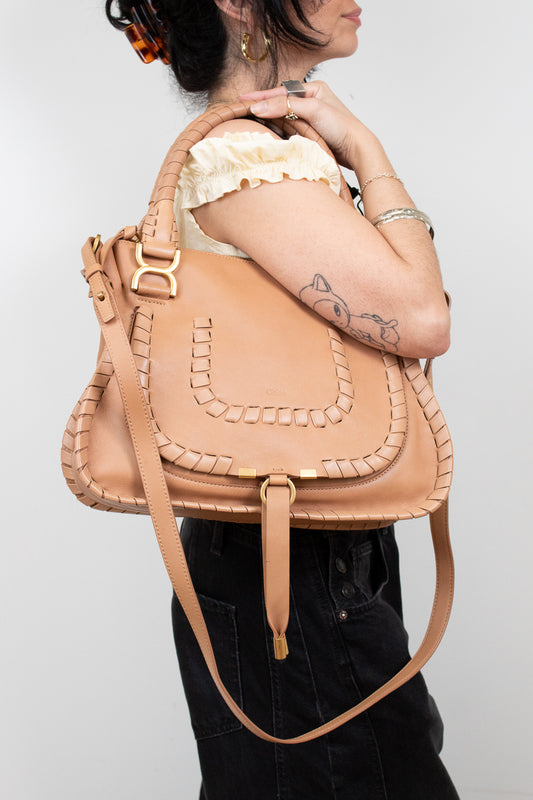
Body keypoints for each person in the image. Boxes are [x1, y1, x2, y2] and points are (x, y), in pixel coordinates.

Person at [106, 2, 458, 798]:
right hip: (288, 555)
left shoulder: (277, 152)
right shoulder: (245, 159)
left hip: (304, 532)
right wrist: (366, 150)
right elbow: (422, 319)